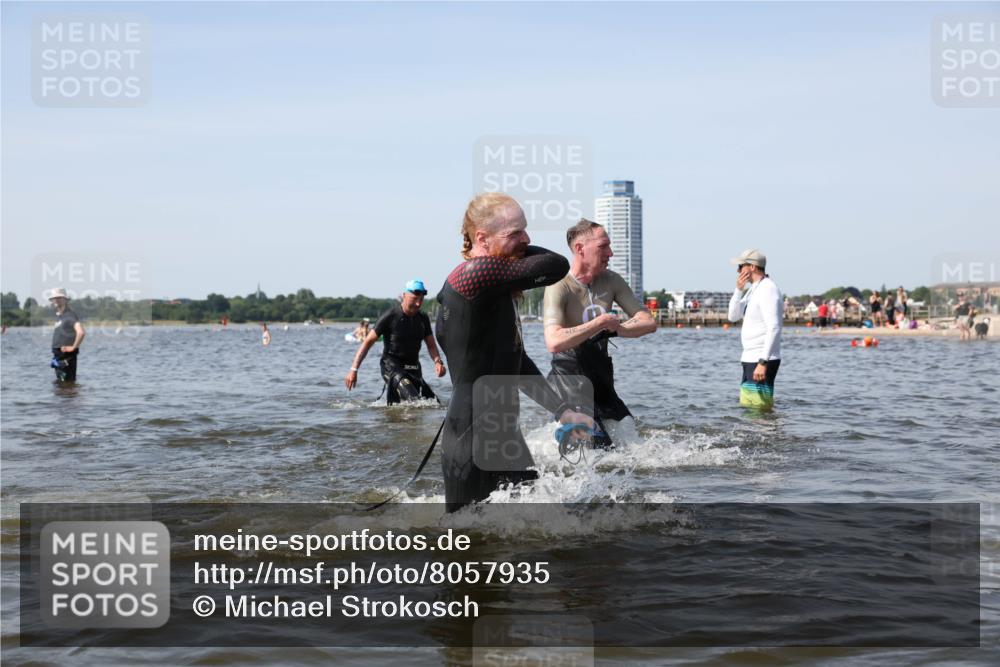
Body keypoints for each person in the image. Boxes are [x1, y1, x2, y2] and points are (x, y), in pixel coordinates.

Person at [435, 193, 593, 512]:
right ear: (481, 237)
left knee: (532, 534)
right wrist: (516, 254)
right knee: (467, 544)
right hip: (472, 434)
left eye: (526, 230)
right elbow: (556, 265)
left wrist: (562, 410)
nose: (527, 239)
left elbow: (515, 361)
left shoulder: (494, 288)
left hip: (503, 432)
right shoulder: (472, 277)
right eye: (515, 234)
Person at [542, 219, 656, 448]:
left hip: (601, 374)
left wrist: (620, 328)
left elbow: (648, 322)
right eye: (603, 246)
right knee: (597, 445)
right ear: (580, 249)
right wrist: (598, 323)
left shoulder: (611, 280)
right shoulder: (558, 285)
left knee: (629, 437)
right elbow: (553, 341)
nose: (610, 253)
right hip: (568, 375)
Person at [344, 280, 446, 404]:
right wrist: (353, 369)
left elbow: (431, 344)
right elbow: (367, 343)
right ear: (404, 296)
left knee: (435, 404)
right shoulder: (390, 316)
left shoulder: (423, 318)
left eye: (421, 299)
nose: (418, 303)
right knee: (414, 401)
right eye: (414, 299)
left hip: (414, 368)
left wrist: (437, 362)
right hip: (391, 367)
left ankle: (395, 422)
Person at [727, 249, 782, 410]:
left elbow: (774, 327)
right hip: (750, 357)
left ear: (751, 267)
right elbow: (733, 316)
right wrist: (738, 290)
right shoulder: (753, 289)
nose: (738, 270)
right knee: (750, 407)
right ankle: (755, 435)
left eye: (740, 266)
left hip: (761, 359)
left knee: (758, 410)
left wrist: (763, 362)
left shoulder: (768, 289)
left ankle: (768, 435)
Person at [48, 287, 85, 382]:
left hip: (66, 357)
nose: (56, 300)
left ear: (65, 300)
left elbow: (81, 332)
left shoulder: (69, 315)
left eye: (59, 297)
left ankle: (70, 396)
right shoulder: (60, 316)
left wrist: (73, 347)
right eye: (54, 298)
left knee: (66, 385)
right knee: (61, 387)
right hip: (58, 357)